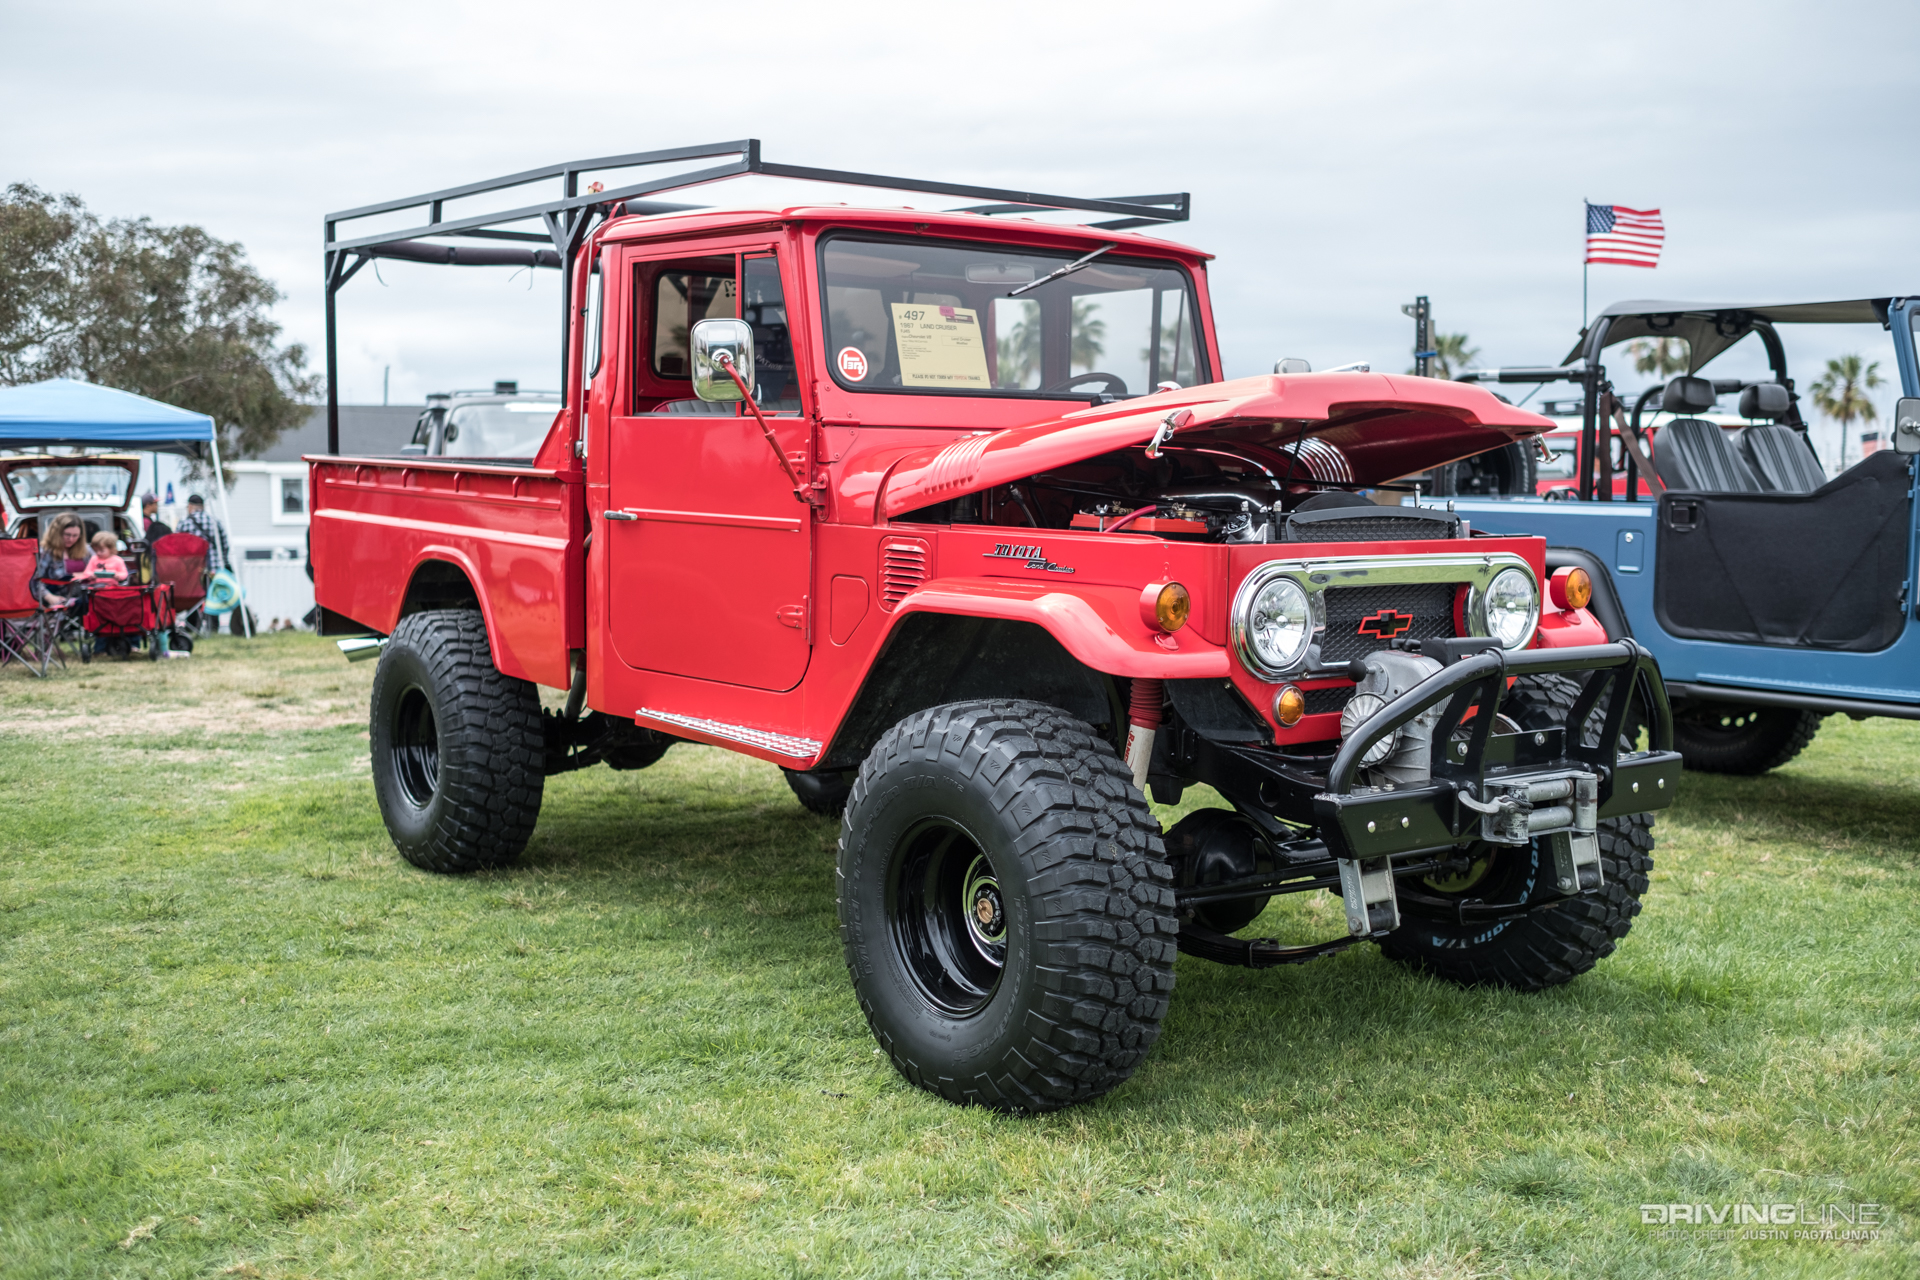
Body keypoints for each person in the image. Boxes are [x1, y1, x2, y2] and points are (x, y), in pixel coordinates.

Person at [33, 512, 89, 609]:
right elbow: (34, 581)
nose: (71, 539)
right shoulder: (45, 551)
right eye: (67, 535)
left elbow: (99, 568)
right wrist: (49, 596)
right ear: (56, 533)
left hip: (83, 599)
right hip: (56, 601)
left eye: (75, 536)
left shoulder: (86, 550)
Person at [177, 494, 229, 572]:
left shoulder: (184, 523)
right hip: (214, 569)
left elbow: (177, 546)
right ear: (203, 506)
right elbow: (224, 546)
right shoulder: (215, 522)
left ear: (190, 506)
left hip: (192, 571)